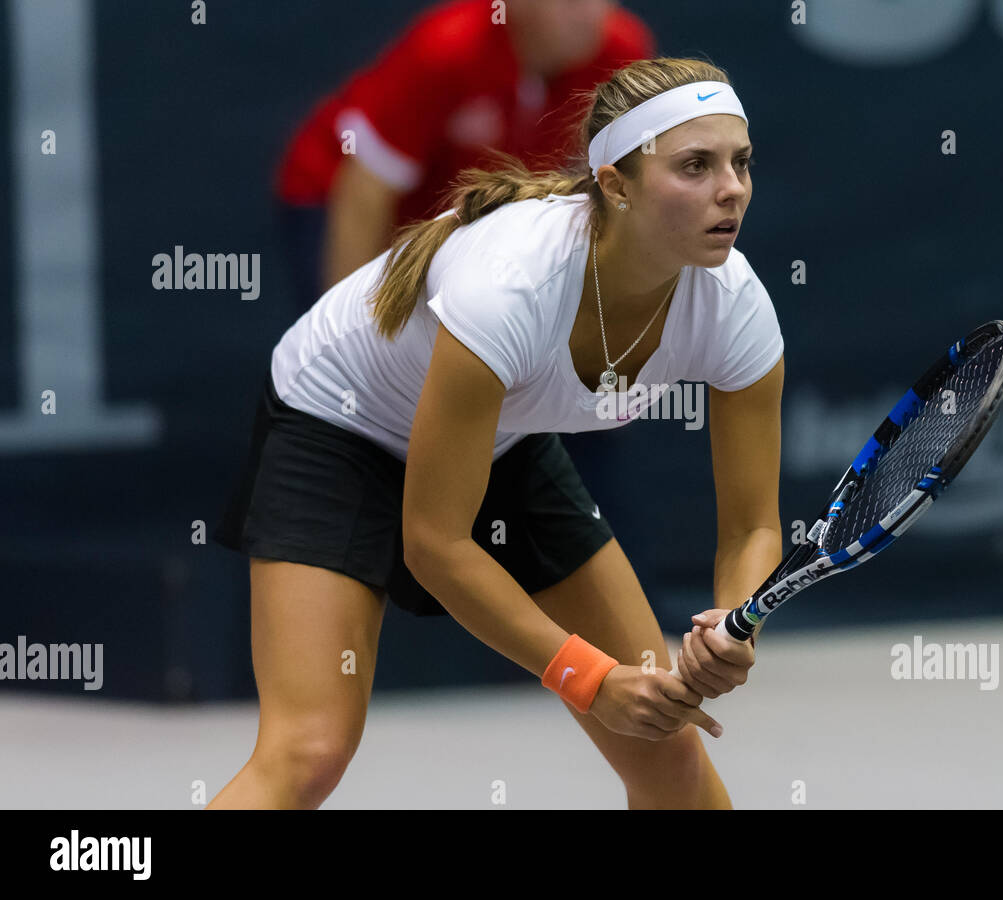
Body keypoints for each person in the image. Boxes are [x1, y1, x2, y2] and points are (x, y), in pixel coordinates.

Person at [211, 56, 783, 810]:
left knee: (669, 755)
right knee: (308, 752)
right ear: (615, 183)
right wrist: (591, 678)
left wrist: (735, 624)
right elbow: (435, 543)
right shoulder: (512, 286)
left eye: (739, 162)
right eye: (695, 166)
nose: (731, 188)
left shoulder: (735, 305)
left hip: (501, 439)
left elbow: (752, 528)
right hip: (335, 428)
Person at [275, 0, 655, 313]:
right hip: (336, 192)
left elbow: (611, 192)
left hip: (462, 217)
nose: (592, 13)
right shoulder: (446, 49)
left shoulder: (622, 53)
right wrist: (350, 327)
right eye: (571, 3)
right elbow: (365, 191)